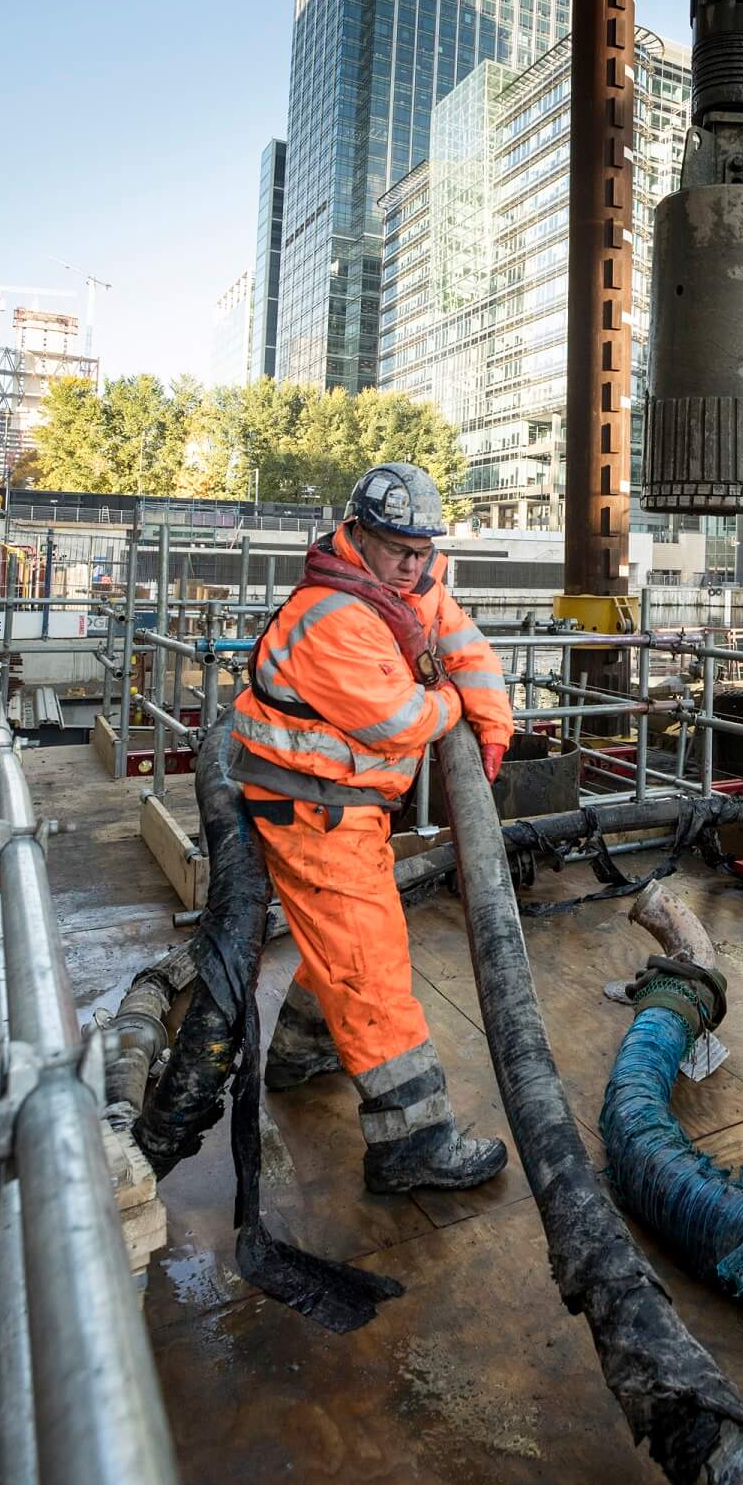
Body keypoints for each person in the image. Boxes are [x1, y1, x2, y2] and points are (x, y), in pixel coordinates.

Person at [227, 463, 515, 1194]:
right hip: (312, 814)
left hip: (342, 808)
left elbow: (466, 648)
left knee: (343, 945)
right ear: (357, 534)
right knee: (370, 966)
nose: (412, 565)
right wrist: (451, 705)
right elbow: (400, 722)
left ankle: (295, 1055)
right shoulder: (333, 615)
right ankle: (411, 1143)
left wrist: (493, 726)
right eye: (397, 549)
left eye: (421, 551)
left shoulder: (411, 587)